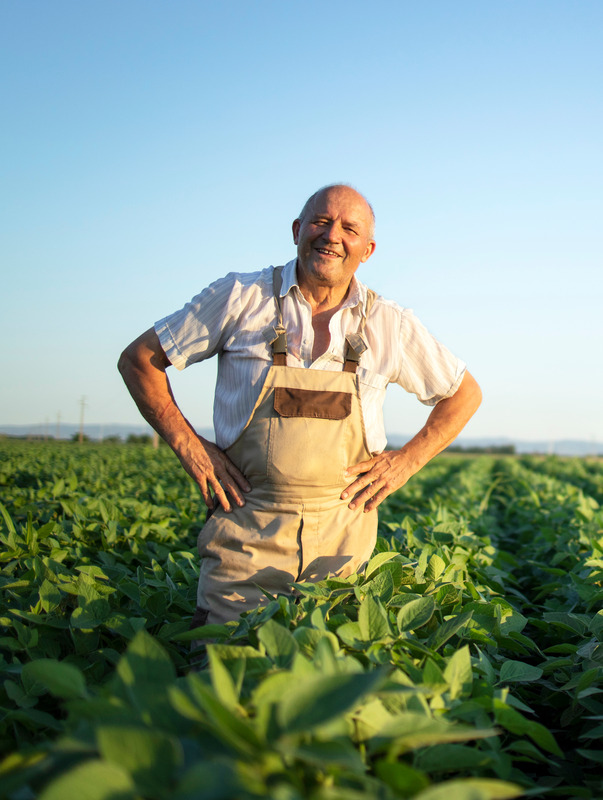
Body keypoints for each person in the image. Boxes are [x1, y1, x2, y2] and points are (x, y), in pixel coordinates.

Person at [118, 184, 482, 627]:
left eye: (349, 229)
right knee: (222, 680)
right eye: (321, 221)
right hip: (245, 549)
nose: (332, 235)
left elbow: (464, 394)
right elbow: (140, 360)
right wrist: (191, 445)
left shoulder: (388, 322)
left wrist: (406, 461)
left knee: (329, 686)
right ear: (297, 230)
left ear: (367, 250)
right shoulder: (240, 297)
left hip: (342, 556)